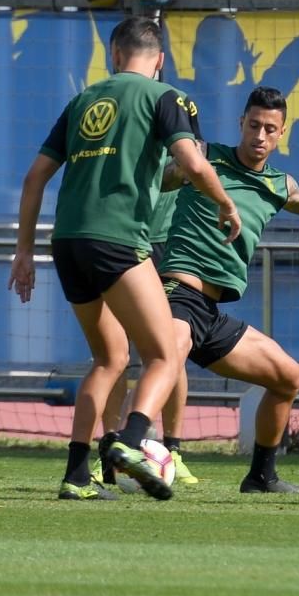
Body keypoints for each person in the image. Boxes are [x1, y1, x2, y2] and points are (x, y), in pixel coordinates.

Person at [8, 16, 241, 501]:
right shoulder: (166, 97)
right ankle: (130, 443)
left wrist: (23, 253)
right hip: (118, 243)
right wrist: (225, 202)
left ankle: (75, 475)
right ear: (159, 60)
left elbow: (34, 179)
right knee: (162, 353)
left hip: (67, 243)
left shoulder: (82, 101)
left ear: (114, 55)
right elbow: (194, 163)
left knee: (109, 358)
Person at [153, 86, 299, 494]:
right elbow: (156, 179)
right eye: (253, 125)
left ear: (280, 134)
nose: (259, 136)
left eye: (269, 129)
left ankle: (261, 476)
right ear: (240, 124)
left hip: (209, 313)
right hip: (177, 290)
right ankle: (123, 448)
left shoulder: (279, 185)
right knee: (161, 360)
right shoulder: (204, 159)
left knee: (289, 377)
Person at [95, 189, 199, 487]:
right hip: (119, 237)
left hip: (168, 243)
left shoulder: (185, 141)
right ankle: (111, 446)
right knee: (113, 352)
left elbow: (194, 167)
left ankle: (173, 449)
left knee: (169, 348)